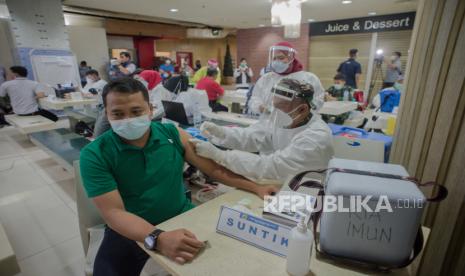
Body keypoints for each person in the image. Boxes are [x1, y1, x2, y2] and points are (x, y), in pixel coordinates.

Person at [79, 78, 278, 275]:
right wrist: (158, 238)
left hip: (181, 217)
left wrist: (256, 187)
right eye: (118, 114)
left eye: (136, 111)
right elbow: (114, 214)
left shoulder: (172, 135)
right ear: (106, 114)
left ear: (150, 109)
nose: (128, 119)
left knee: (224, 262)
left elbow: (214, 170)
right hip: (128, 231)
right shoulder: (95, 154)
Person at [191, 77, 334, 183]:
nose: (274, 113)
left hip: (308, 191)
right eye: (274, 106)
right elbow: (253, 136)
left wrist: (221, 156)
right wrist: (221, 133)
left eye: (280, 108)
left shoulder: (316, 138)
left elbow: (271, 166)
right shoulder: (287, 120)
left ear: (302, 109)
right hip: (283, 183)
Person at [249, 41, 324, 115]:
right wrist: (260, 107)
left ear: (291, 58)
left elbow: (319, 99)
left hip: (299, 124)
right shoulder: (266, 78)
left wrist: (303, 111)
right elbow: (255, 98)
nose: (276, 61)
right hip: (268, 123)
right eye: (274, 58)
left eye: (281, 58)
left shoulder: (308, 78)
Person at [82, 70, 109, 136]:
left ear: (94, 75)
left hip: (102, 105)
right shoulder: (91, 83)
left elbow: (89, 93)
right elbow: (84, 92)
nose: (88, 79)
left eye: (89, 77)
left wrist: (85, 94)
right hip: (95, 105)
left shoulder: (101, 83)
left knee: (100, 124)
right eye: (87, 78)